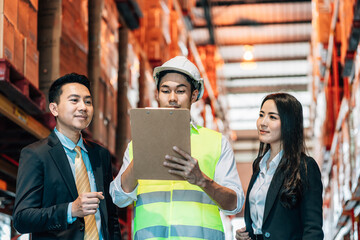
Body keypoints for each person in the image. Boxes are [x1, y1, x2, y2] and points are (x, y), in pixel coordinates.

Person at [110, 56, 244, 239]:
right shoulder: (137, 144)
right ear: (157, 94)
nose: (172, 98)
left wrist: (202, 180)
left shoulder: (216, 143)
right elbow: (118, 197)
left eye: (181, 91)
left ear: (194, 95)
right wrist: (143, 152)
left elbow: (234, 204)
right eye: (165, 91)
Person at [13, 73, 121, 240]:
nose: (83, 107)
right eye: (74, 100)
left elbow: (111, 217)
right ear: (54, 108)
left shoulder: (101, 155)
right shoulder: (36, 154)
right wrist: (71, 210)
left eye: (88, 101)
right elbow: (22, 219)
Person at [235, 93, 323, 240]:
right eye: (261, 115)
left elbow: (313, 229)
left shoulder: (305, 167)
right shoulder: (259, 167)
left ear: (289, 122)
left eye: (272, 117)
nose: (263, 122)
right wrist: (246, 235)